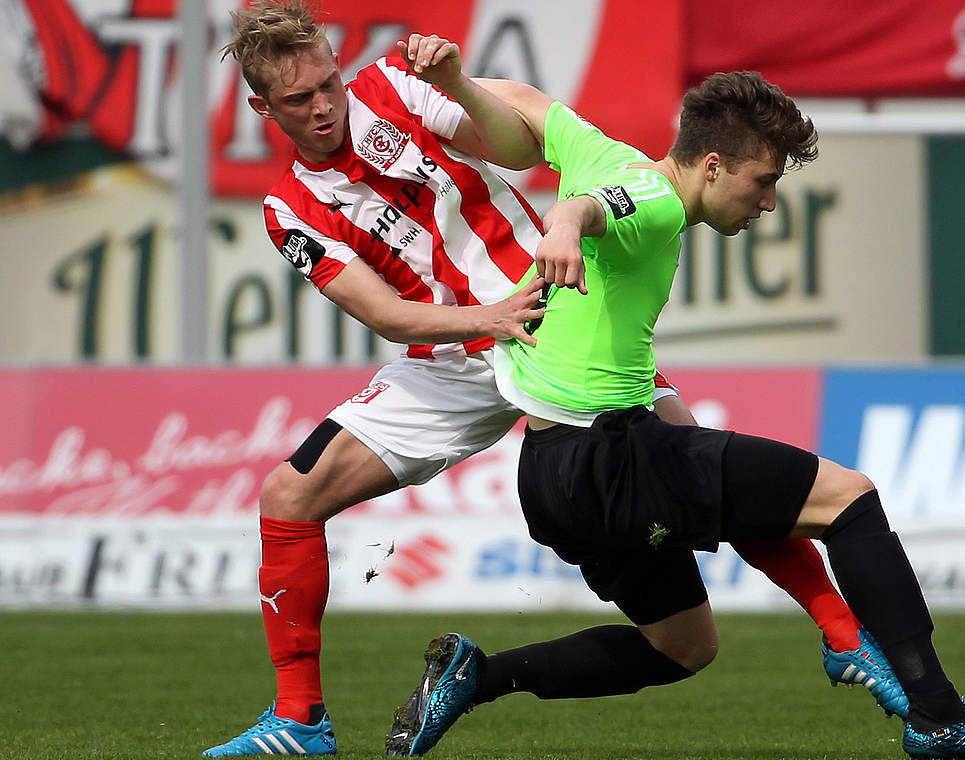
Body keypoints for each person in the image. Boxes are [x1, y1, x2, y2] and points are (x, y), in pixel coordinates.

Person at [211, 2, 902, 756]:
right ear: (261, 107)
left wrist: (458, 85)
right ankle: (300, 721)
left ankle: (842, 634)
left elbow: (516, 144)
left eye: (326, 84)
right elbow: (384, 313)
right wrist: (485, 320)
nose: (322, 105)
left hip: (547, 312)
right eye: (298, 98)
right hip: (456, 346)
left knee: (696, 468)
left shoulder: (393, 86)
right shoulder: (291, 208)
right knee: (289, 494)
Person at [386, 74, 965, 760]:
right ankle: (940, 716)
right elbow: (592, 209)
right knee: (848, 499)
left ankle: (476, 676)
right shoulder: (654, 200)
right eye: (761, 182)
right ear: (710, 165)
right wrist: (561, 226)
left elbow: (530, 104)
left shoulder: (600, 150)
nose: (767, 202)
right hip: (610, 457)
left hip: (552, 475)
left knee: (684, 645)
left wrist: (445, 80)